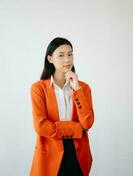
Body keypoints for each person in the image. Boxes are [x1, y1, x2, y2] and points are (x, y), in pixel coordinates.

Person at [29, 37, 94, 176]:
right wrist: (77, 128)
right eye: (61, 55)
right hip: (49, 155)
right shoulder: (38, 88)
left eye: (70, 54)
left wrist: (77, 89)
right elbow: (41, 126)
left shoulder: (83, 88)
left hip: (78, 155)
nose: (67, 59)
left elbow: (87, 123)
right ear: (50, 59)